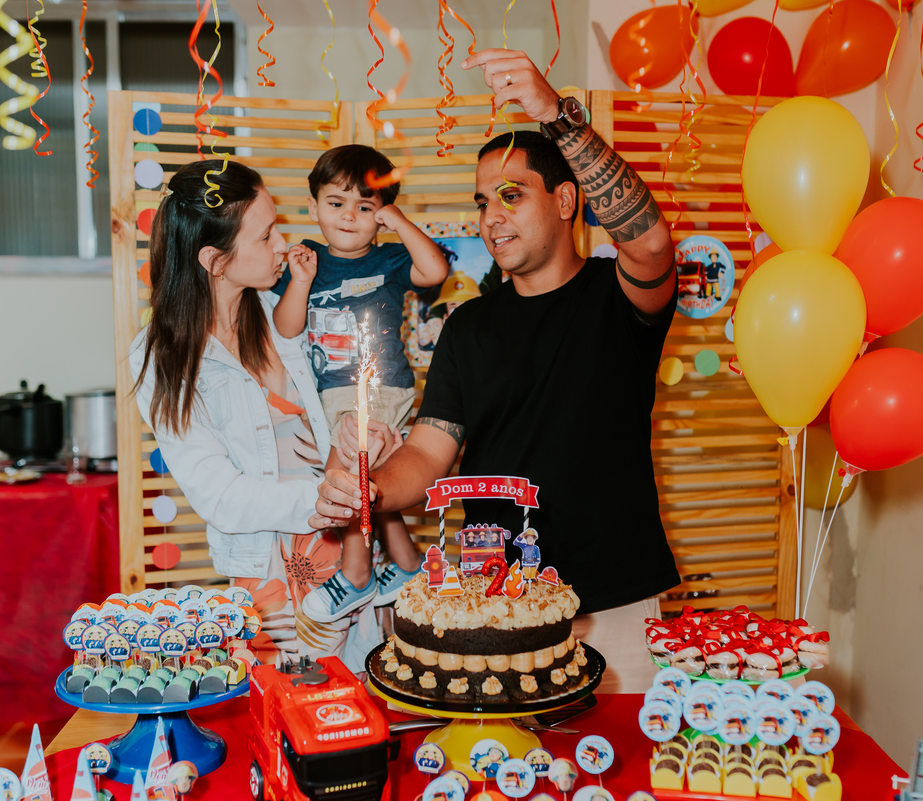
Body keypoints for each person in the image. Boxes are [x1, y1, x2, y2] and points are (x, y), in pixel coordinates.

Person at [312, 49, 681, 692]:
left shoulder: (614, 296)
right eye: (483, 201)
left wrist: (555, 118)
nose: (491, 218)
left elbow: (649, 244)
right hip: (493, 608)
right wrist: (365, 490)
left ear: (566, 200)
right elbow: (427, 454)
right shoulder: (468, 327)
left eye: (512, 195)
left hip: (614, 608)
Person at [129, 160, 395, 667]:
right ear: (215, 259)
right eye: (267, 234)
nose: (283, 245)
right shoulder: (165, 357)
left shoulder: (280, 314)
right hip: (272, 570)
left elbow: (309, 437)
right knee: (300, 716)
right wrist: (322, 499)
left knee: (368, 703)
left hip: (353, 552)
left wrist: (351, 440)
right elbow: (221, 497)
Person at [271, 145, 450, 624]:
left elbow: (435, 271)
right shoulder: (305, 262)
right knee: (368, 483)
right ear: (313, 208)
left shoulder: (390, 259)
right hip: (332, 395)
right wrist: (301, 282)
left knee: (347, 482)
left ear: (381, 215)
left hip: (379, 391)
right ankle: (410, 564)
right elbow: (286, 327)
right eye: (336, 203)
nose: (349, 216)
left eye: (365, 207)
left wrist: (400, 222)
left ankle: (355, 574)